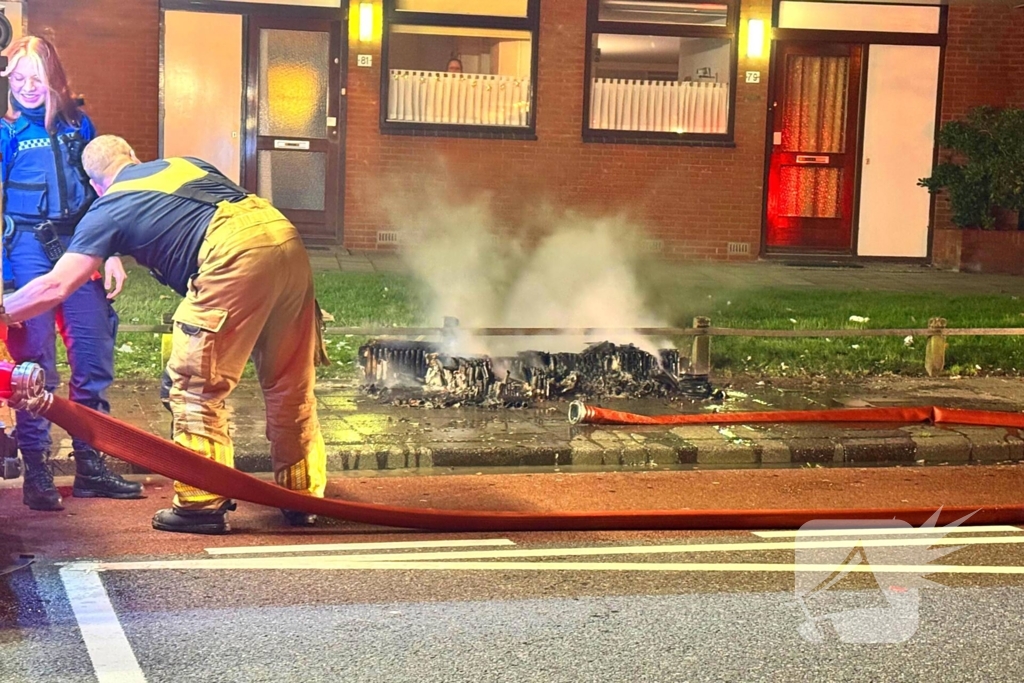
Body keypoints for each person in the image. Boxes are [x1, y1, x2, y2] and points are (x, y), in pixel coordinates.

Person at [0, 135, 328, 534]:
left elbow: (56, 286)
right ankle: (303, 497)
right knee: (289, 383)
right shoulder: (184, 164)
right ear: (134, 159)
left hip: (231, 255)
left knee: (194, 385)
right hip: (284, 237)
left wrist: (4, 311)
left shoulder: (109, 205)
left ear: (94, 183)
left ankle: (201, 503)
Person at [0, 36, 143, 511]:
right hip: (25, 250)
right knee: (33, 362)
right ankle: (36, 472)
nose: (26, 87)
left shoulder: (80, 126)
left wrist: (113, 253)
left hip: (81, 248)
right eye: (17, 79)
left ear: (53, 79)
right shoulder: (6, 134)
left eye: (34, 78)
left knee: (93, 355)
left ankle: (91, 466)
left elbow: (106, 195)